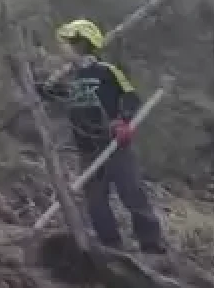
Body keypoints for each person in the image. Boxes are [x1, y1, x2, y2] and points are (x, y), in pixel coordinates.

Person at [37, 18, 167, 254]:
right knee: (95, 200)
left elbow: (130, 97)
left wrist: (124, 121)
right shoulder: (72, 77)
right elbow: (61, 96)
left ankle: (151, 243)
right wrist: (43, 89)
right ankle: (111, 245)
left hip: (114, 144)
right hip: (87, 148)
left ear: (80, 44)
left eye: (66, 43)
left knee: (131, 191)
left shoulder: (106, 71)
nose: (61, 48)